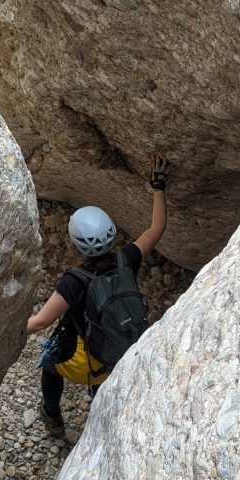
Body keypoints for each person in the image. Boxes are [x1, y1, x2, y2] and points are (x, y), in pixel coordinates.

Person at [26, 155, 169, 437]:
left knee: (51, 368)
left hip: (81, 361)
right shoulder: (127, 260)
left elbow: (39, 323)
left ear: (77, 246)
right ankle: (101, 415)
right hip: (117, 354)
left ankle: (52, 417)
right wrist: (158, 186)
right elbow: (156, 228)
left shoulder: (73, 282)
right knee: (102, 384)